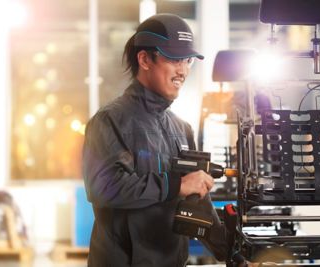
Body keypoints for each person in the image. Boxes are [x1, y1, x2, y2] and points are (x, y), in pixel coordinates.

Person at [82, 13, 230, 267]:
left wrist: (229, 251)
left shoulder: (181, 128)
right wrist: (175, 185)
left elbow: (195, 198)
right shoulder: (110, 121)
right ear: (144, 59)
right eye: (174, 59)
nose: (182, 70)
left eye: (187, 61)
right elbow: (104, 188)